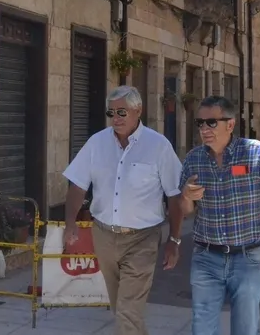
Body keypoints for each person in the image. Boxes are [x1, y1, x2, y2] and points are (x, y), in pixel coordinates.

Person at [62, 85, 184, 335]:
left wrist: (174, 239)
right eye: (111, 113)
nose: (115, 118)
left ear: (138, 110)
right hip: (104, 236)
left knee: (128, 310)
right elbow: (77, 184)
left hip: (142, 239)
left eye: (121, 112)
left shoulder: (158, 146)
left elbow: (175, 195)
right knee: (122, 309)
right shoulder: (97, 143)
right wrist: (70, 223)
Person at [179, 95, 260, 335]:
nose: (204, 129)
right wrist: (186, 197)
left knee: (245, 328)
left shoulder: (256, 153)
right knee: (202, 328)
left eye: (211, 123)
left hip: (249, 259)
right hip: (207, 257)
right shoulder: (193, 160)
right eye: (200, 123)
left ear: (230, 124)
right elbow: (186, 212)